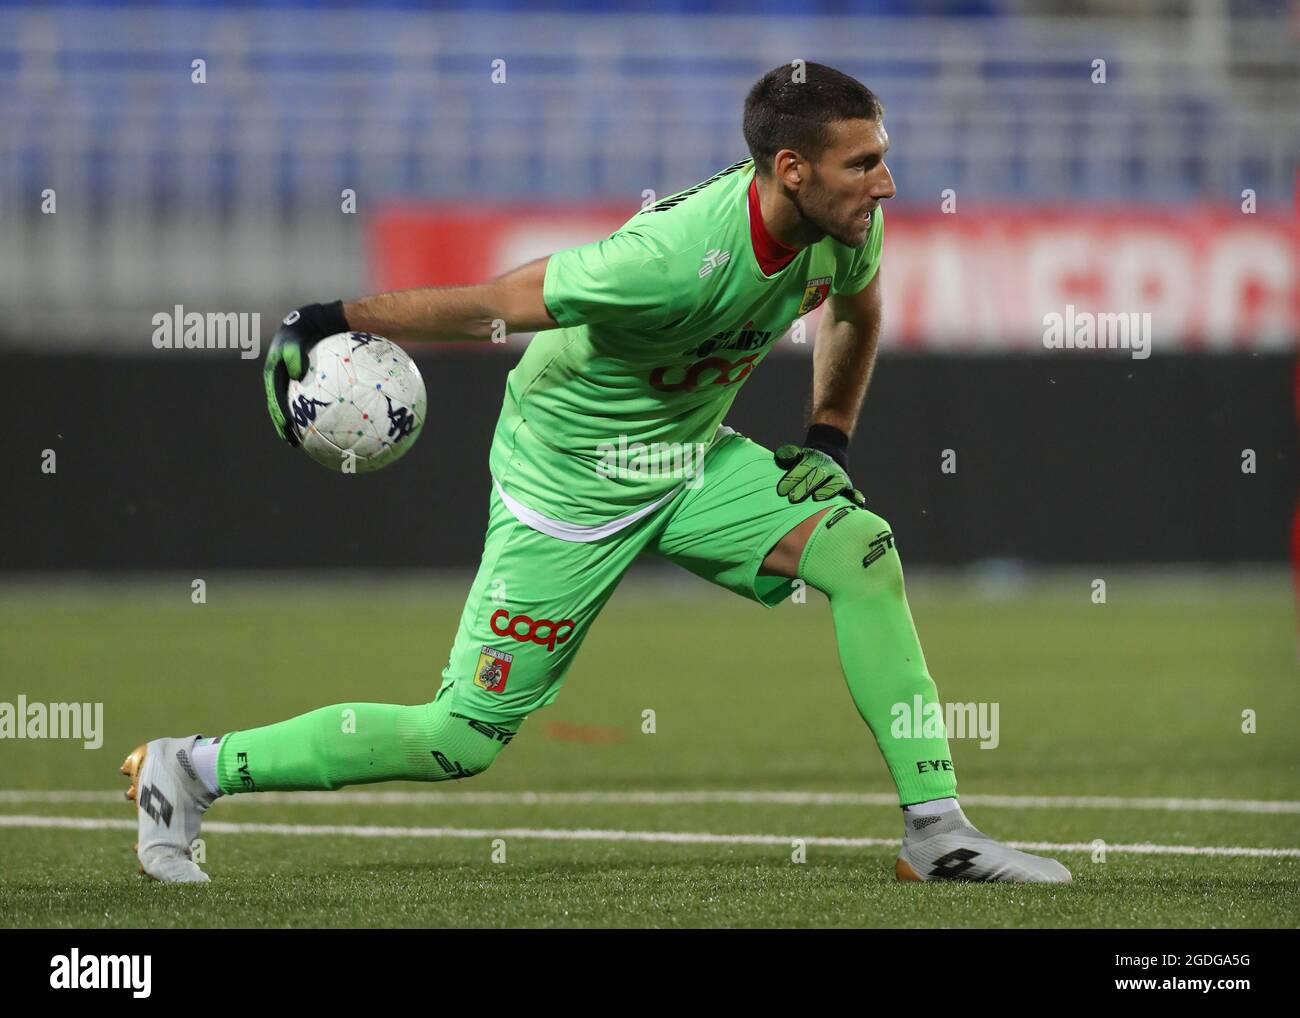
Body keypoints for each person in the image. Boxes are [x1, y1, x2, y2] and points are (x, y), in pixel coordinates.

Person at [123, 62, 1070, 885]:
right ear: (792, 170)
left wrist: (827, 441)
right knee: (460, 740)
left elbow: (856, 315)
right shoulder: (662, 263)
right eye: (864, 162)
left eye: (881, 156)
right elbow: (497, 303)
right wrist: (330, 315)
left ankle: (937, 835)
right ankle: (193, 770)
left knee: (861, 550)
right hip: (567, 489)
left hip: (689, 459)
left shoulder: (846, 224)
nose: (888, 181)